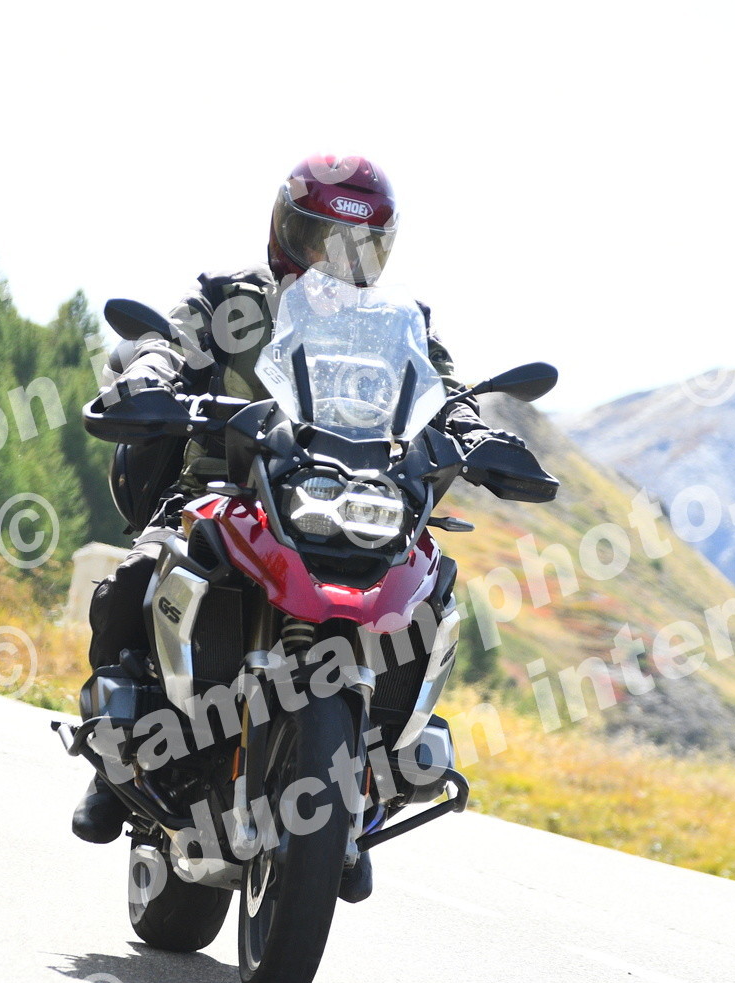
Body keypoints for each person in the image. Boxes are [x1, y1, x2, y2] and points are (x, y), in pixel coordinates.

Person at [71, 155, 522, 902]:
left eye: (361, 247)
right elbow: (172, 343)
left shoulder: (401, 325)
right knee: (136, 576)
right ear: (286, 231)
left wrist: (476, 430)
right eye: (323, 239)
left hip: (358, 499)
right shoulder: (232, 298)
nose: (339, 261)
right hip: (228, 484)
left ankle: (363, 783)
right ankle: (113, 771)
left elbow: (444, 388)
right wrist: (151, 371)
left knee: (429, 592)